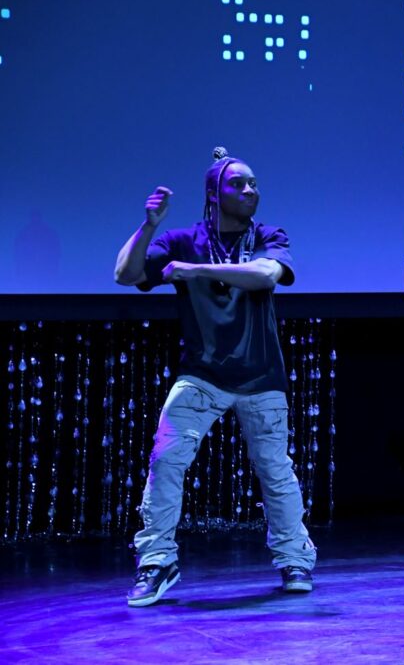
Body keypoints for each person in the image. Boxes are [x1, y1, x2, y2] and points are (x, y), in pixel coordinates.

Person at [114, 147, 316, 607]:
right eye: (238, 184)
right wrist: (149, 227)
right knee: (166, 460)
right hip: (202, 375)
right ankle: (157, 561)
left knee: (274, 471)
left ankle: (294, 558)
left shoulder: (267, 234)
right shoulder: (184, 239)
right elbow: (125, 274)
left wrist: (195, 271)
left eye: (253, 184)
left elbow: (266, 275)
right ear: (213, 193)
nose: (250, 191)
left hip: (261, 375)